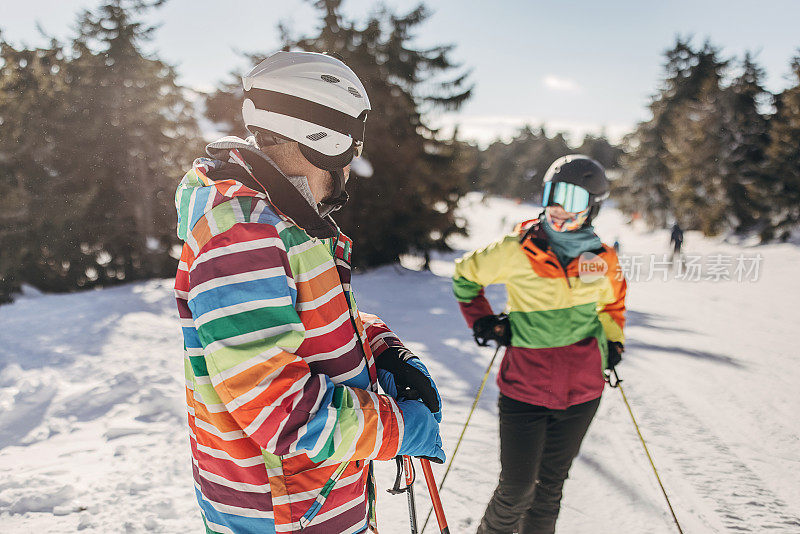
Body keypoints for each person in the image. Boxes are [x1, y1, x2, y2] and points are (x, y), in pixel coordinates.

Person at [173, 51, 444, 534]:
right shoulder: (244, 236)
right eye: (353, 144)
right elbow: (279, 410)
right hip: (282, 513)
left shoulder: (286, 223)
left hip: (312, 499)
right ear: (329, 139)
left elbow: (311, 324)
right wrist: (399, 428)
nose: (352, 162)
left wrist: (384, 350)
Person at [452, 155, 627, 534]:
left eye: (574, 199)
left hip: (583, 392)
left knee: (549, 490)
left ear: (593, 207)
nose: (560, 208)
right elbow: (465, 276)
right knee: (516, 489)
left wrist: (612, 343)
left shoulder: (600, 258)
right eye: (554, 195)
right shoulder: (517, 249)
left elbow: (613, 304)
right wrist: (483, 320)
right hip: (524, 391)